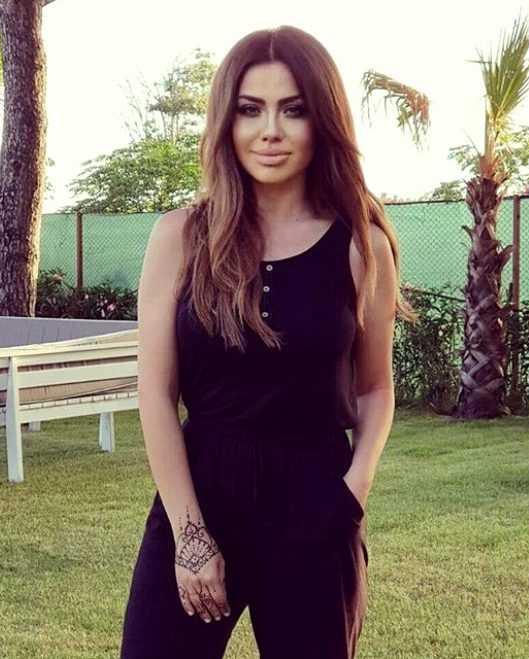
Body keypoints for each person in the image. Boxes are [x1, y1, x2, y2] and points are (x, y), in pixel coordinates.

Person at [120, 24, 412, 659]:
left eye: (293, 110)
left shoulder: (363, 247)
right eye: (250, 109)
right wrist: (190, 537)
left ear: (323, 120)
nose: (270, 130)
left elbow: (374, 389)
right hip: (201, 494)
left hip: (316, 503)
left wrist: (351, 494)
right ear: (226, 122)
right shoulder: (180, 238)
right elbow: (155, 391)